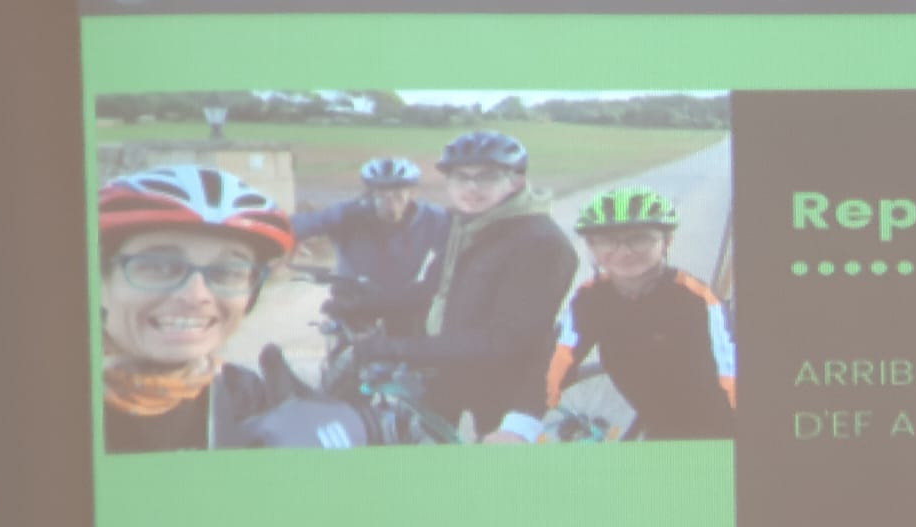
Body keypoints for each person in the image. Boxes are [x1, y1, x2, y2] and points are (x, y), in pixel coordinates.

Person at [99, 165, 371, 452]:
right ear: (100, 282)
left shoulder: (243, 395)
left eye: (227, 271)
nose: (196, 296)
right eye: (160, 266)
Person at [350, 130, 578, 439]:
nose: (471, 187)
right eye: (461, 177)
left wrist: (397, 349)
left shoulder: (540, 243)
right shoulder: (466, 224)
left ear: (516, 182)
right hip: (451, 362)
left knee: (493, 464)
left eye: (487, 177)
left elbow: (504, 342)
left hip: (505, 380)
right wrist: (366, 302)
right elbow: (435, 290)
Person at [530, 186, 736, 441]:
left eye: (640, 238)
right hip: (658, 425)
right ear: (592, 247)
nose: (625, 251)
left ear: (667, 241)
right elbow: (556, 363)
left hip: (718, 431)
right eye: (607, 240)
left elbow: (731, 375)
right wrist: (519, 422)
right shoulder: (591, 298)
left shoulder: (696, 300)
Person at [291, 157, 450, 335]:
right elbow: (303, 225)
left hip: (404, 304)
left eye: (398, 190)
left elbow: (462, 237)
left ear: (413, 192)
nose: (389, 196)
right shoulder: (348, 214)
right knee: (342, 340)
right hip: (353, 303)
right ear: (370, 192)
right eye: (381, 191)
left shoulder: (433, 218)